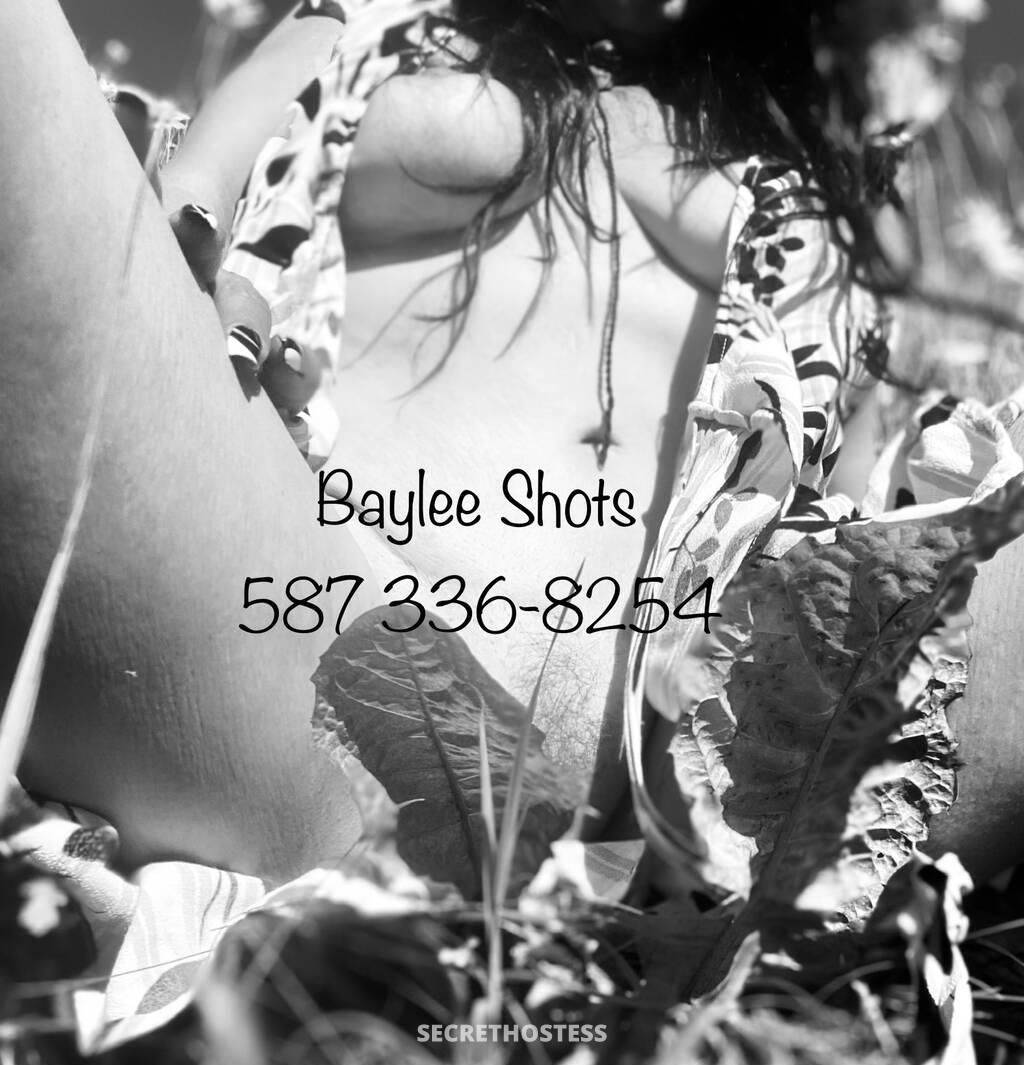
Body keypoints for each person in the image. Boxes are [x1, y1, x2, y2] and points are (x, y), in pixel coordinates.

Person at [3, 0, 1010, 888]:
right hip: (288, 636)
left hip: (669, 798)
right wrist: (194, 273)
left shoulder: (824, 176)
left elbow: (842, 487)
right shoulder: (378, 19)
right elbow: (187, 206)